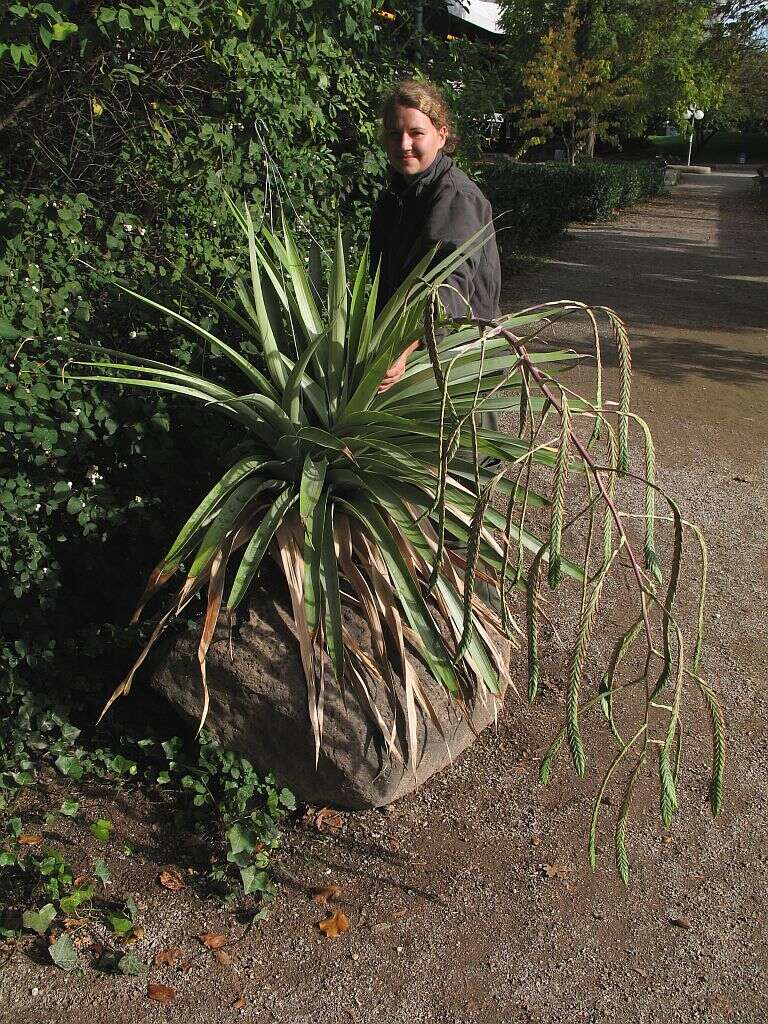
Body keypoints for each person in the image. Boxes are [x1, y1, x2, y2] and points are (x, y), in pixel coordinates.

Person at [369, 79, 502, 396]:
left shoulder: (455, 198)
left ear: (441, 135)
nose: (404, 144)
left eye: (416, 133)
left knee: (465, 446)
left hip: (459, 366)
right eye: (394, 133)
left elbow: (449, 285)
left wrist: (404, 345)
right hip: (413, 360)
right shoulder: (396, 195)